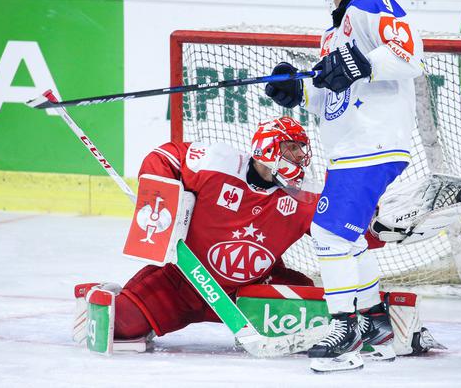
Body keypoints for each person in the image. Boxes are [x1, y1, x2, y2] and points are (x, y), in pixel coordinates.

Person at [265, 0, 426, 372]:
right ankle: (376, 326)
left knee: (327, 234)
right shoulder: (331, 36)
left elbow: (409, 54)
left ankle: (345, 330)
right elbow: (327, 96)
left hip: (372, 143)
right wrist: (295, 91)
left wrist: (357, 63)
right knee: (347, 240)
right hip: (351, 148)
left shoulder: (372, 3)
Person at [74, 116, 318, 347]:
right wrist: (159, 202)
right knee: (120, 326)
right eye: (292, 147)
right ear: (267, 148)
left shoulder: (305, 196)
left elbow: (337, 231)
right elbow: (163, 157)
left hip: (250, 291)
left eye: (301, 149)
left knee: (316, 316)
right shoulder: (220, 164)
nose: (299, 156)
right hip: (183, 281)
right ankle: (105, 293)